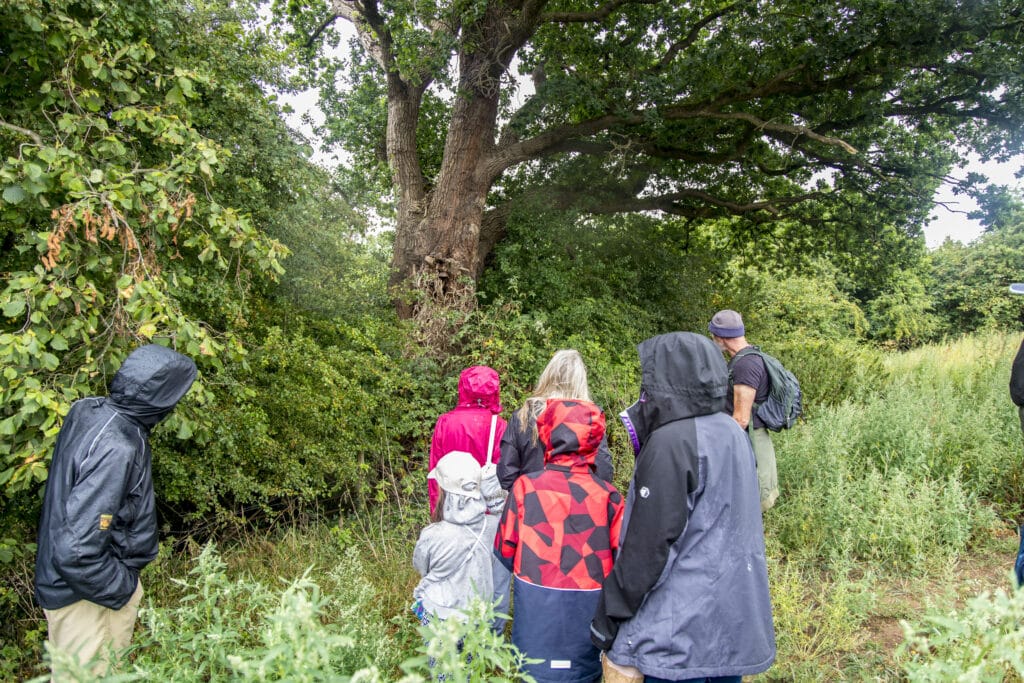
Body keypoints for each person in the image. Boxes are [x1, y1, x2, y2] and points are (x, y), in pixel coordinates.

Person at [590, 331, 775, 682]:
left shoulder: (671, 442)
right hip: (731, 621)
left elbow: (649, 547)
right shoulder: (732, 432)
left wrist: (609, 614)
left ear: (668, 379)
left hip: (677, 635)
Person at [34, 344, 198, 675]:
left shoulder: (88, 410)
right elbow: (77, 550)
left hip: (65, 584)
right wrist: (122, 587)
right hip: (87, 598)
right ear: (163, 398)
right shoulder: (117, 445)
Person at [495, 398, 624, 682]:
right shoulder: (609, 497)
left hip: (536, 612)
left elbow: (504, 552)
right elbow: (622, 564)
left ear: (546, 433)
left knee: (531, 671)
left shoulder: (525, 488)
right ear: (595, 438)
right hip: (588, 616)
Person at [412, 451, 503, 674]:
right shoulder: (492, 527)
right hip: (477, 616)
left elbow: (421, 567)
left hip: (440, 615)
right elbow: (501, 506)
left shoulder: (433, 534)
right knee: (471, 672)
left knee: (443, 673)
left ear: (445, 493)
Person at [496, 349, 613, 490]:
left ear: (548, 376)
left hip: (532, 503)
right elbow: (604, 473)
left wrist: (522, 499)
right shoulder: (591, 420)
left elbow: (506, 474)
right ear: (581, 382)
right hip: (578, 505)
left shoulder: (525, 415)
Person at [708, 309, 779, 511]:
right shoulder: (745, 357)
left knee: (747, 504)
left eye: (713, 335)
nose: (712, 339)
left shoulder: (745, 365)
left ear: (721, 337)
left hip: (750, 442)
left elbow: (740, 419)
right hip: (747, 439)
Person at [428, 365, 507, 516]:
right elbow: (503, 475)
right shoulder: (499, 426)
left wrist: (436, 511)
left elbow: (436, 472)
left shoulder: (445, 423)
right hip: (485, 511)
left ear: (462, 388)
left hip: (451, 508)